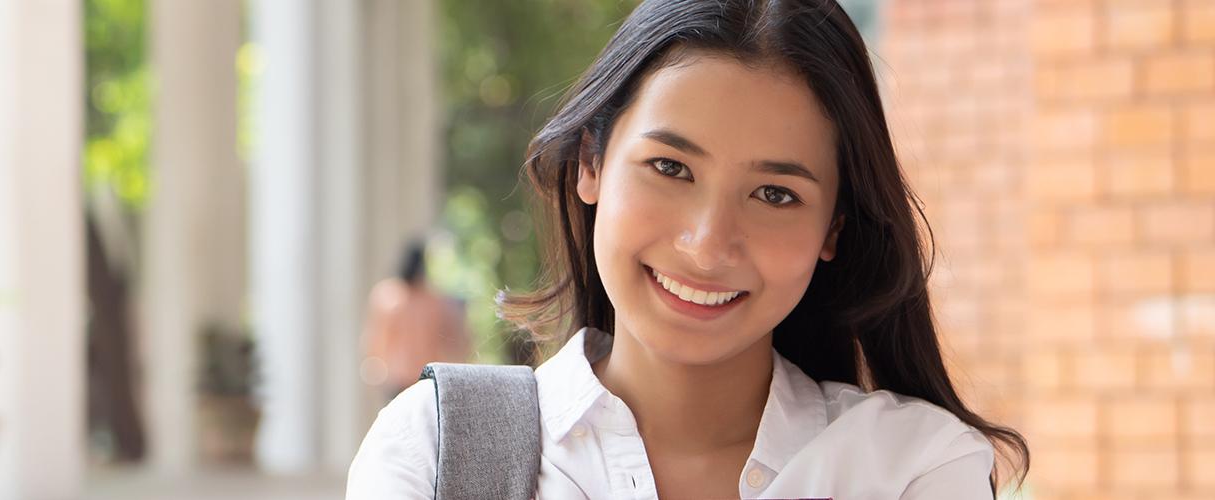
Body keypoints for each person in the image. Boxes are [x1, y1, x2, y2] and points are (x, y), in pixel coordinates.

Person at [346, 0, 1030, 498]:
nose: (707, 246)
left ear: (834, 231)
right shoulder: (437, 449)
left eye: (774, 194)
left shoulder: (911, 468)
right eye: (671, 169)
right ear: (591, 163)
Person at [360, 239, 473, 404]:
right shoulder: (432, 301)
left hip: (400, 377)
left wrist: (374, 368)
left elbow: (376, 339)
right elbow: (457, 340)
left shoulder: (388, 295)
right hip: (420, 378)